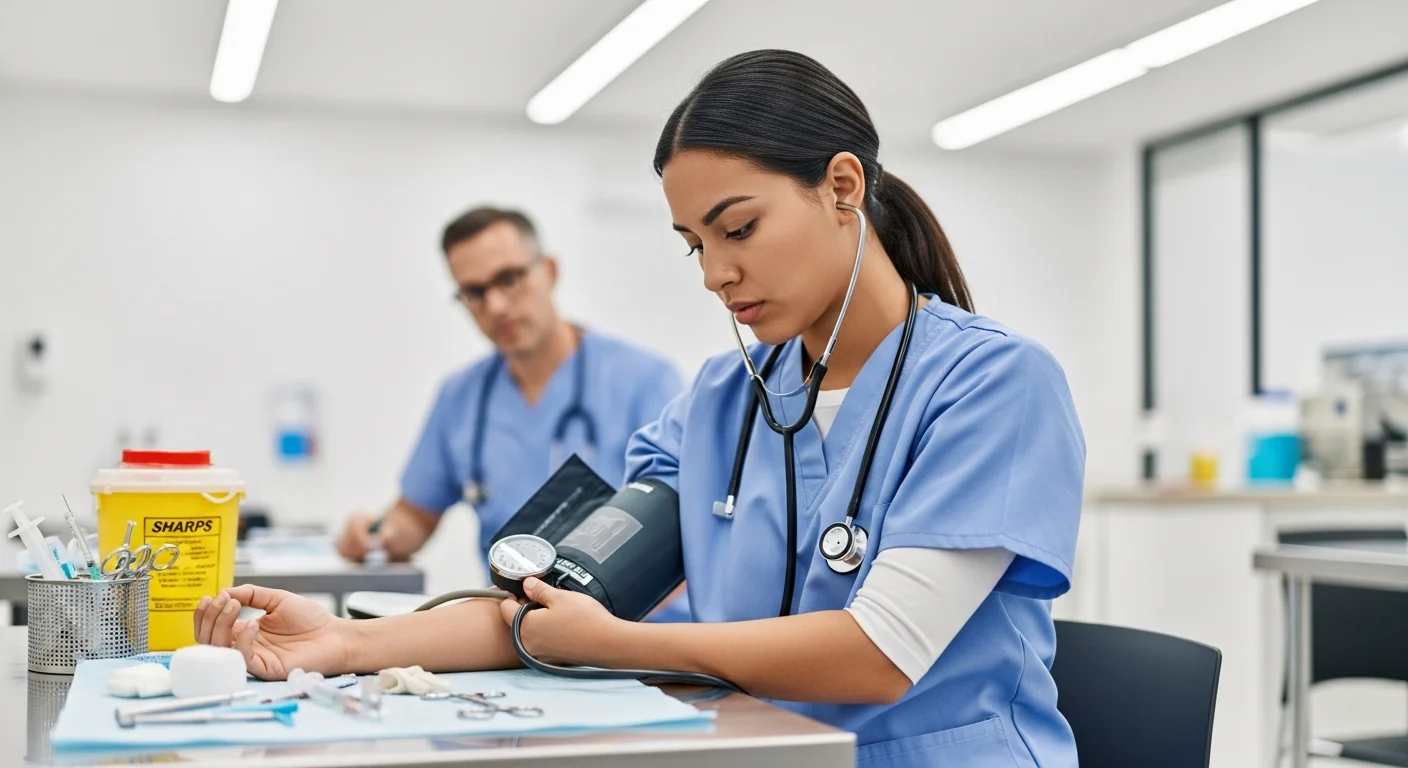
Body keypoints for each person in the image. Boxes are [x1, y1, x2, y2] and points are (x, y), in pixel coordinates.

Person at [196, 51, 1083, 766]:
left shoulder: (992, 385)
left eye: (737, 229)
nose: (713, 273)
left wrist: (618, 644)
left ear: (842, 187)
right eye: (693, 244)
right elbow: (562, 601)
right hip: (757, 752)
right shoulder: (718, 403)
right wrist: (347, 646)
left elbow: (878, 655)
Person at [336, 206, 688, 621]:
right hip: (513, 629)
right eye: (475, 292)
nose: (497, 305)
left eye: (509, 279)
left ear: (550, 271)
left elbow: (691, 533)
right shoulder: (462, 396)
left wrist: (606, 626)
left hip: (638, 633)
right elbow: (415, 515)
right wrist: (376, 534)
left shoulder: (644, 381)